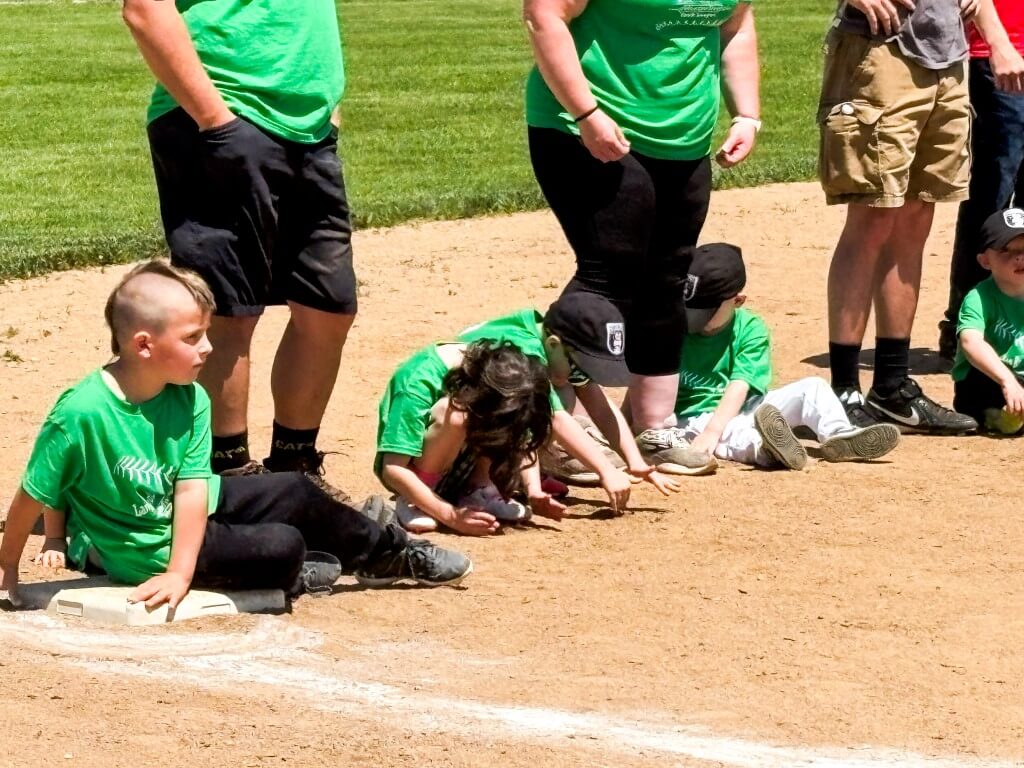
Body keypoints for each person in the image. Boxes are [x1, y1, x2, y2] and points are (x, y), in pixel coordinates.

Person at [0, 262, 471, 611]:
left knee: (294, 489)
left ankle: (388, 556)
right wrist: (9, 567)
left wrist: (185, 568)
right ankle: (299, 566)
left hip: (181, 517)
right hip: (143, 549)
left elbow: (191, 490)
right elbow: (30, 496)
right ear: (144, 345)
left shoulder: (189, 399)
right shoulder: (81, 412)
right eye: (192, 338)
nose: (207, 347)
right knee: (283, 543)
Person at [123, 0, 357, 485]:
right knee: (229, 311)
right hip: (222, 116)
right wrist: (214, 119)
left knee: (328, 306)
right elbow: (145, 9)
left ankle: (294, 472)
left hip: (308, 132)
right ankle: (228, 481)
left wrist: (327, 108)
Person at [523, 0, 760, 473]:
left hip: (685, 137)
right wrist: (586, 112)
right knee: (608, 271)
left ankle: (655, 427)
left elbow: (735, 24)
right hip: (586, 124)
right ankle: (545, 430)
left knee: (667, 275)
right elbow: (543, 14)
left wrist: (746, 114)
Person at [818, 0, 1017, 434]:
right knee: (873, 217)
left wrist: (996, 38)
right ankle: (844, 392)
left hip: (949, 57)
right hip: (880, 49)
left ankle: (891, 386)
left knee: (915, 218)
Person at [376, 293, 681, 536]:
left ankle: (480, 488)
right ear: (553, 344)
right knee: (457, 413)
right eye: (580, 366)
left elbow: (586, 401)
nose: (582, 376)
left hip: (463, 450)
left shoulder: (529, 355)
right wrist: (450, 516)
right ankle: (420, 496)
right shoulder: (520, 356)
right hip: (422, 464)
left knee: (513, 411)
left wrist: (634, 461)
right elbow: (557, 419)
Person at [673, 243, 901, 469]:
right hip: (694, 417)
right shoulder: (674, 325)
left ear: (738, 301)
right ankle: (767, 449)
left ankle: (840, 434)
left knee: (813, 388)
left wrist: (715, 429)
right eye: (691, 307)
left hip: (747, 405)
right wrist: (710, 431)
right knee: (737, 434)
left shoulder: (751, 328)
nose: (696, 320)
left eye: (708, 312)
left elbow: (740, 384)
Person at [938, 0, 1024, 360]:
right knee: (993, 194)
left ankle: (1014, 325)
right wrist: (998, 44)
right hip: (1001, 54)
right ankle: (965, 323)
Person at [950, 208, 1024, 434]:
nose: (1019, 257)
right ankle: (997, 417)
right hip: (988, 382)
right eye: (1005, 250)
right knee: (981, 384)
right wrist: (1007, 381)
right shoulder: (979, 297)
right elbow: (971, 343)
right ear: (984, 261)